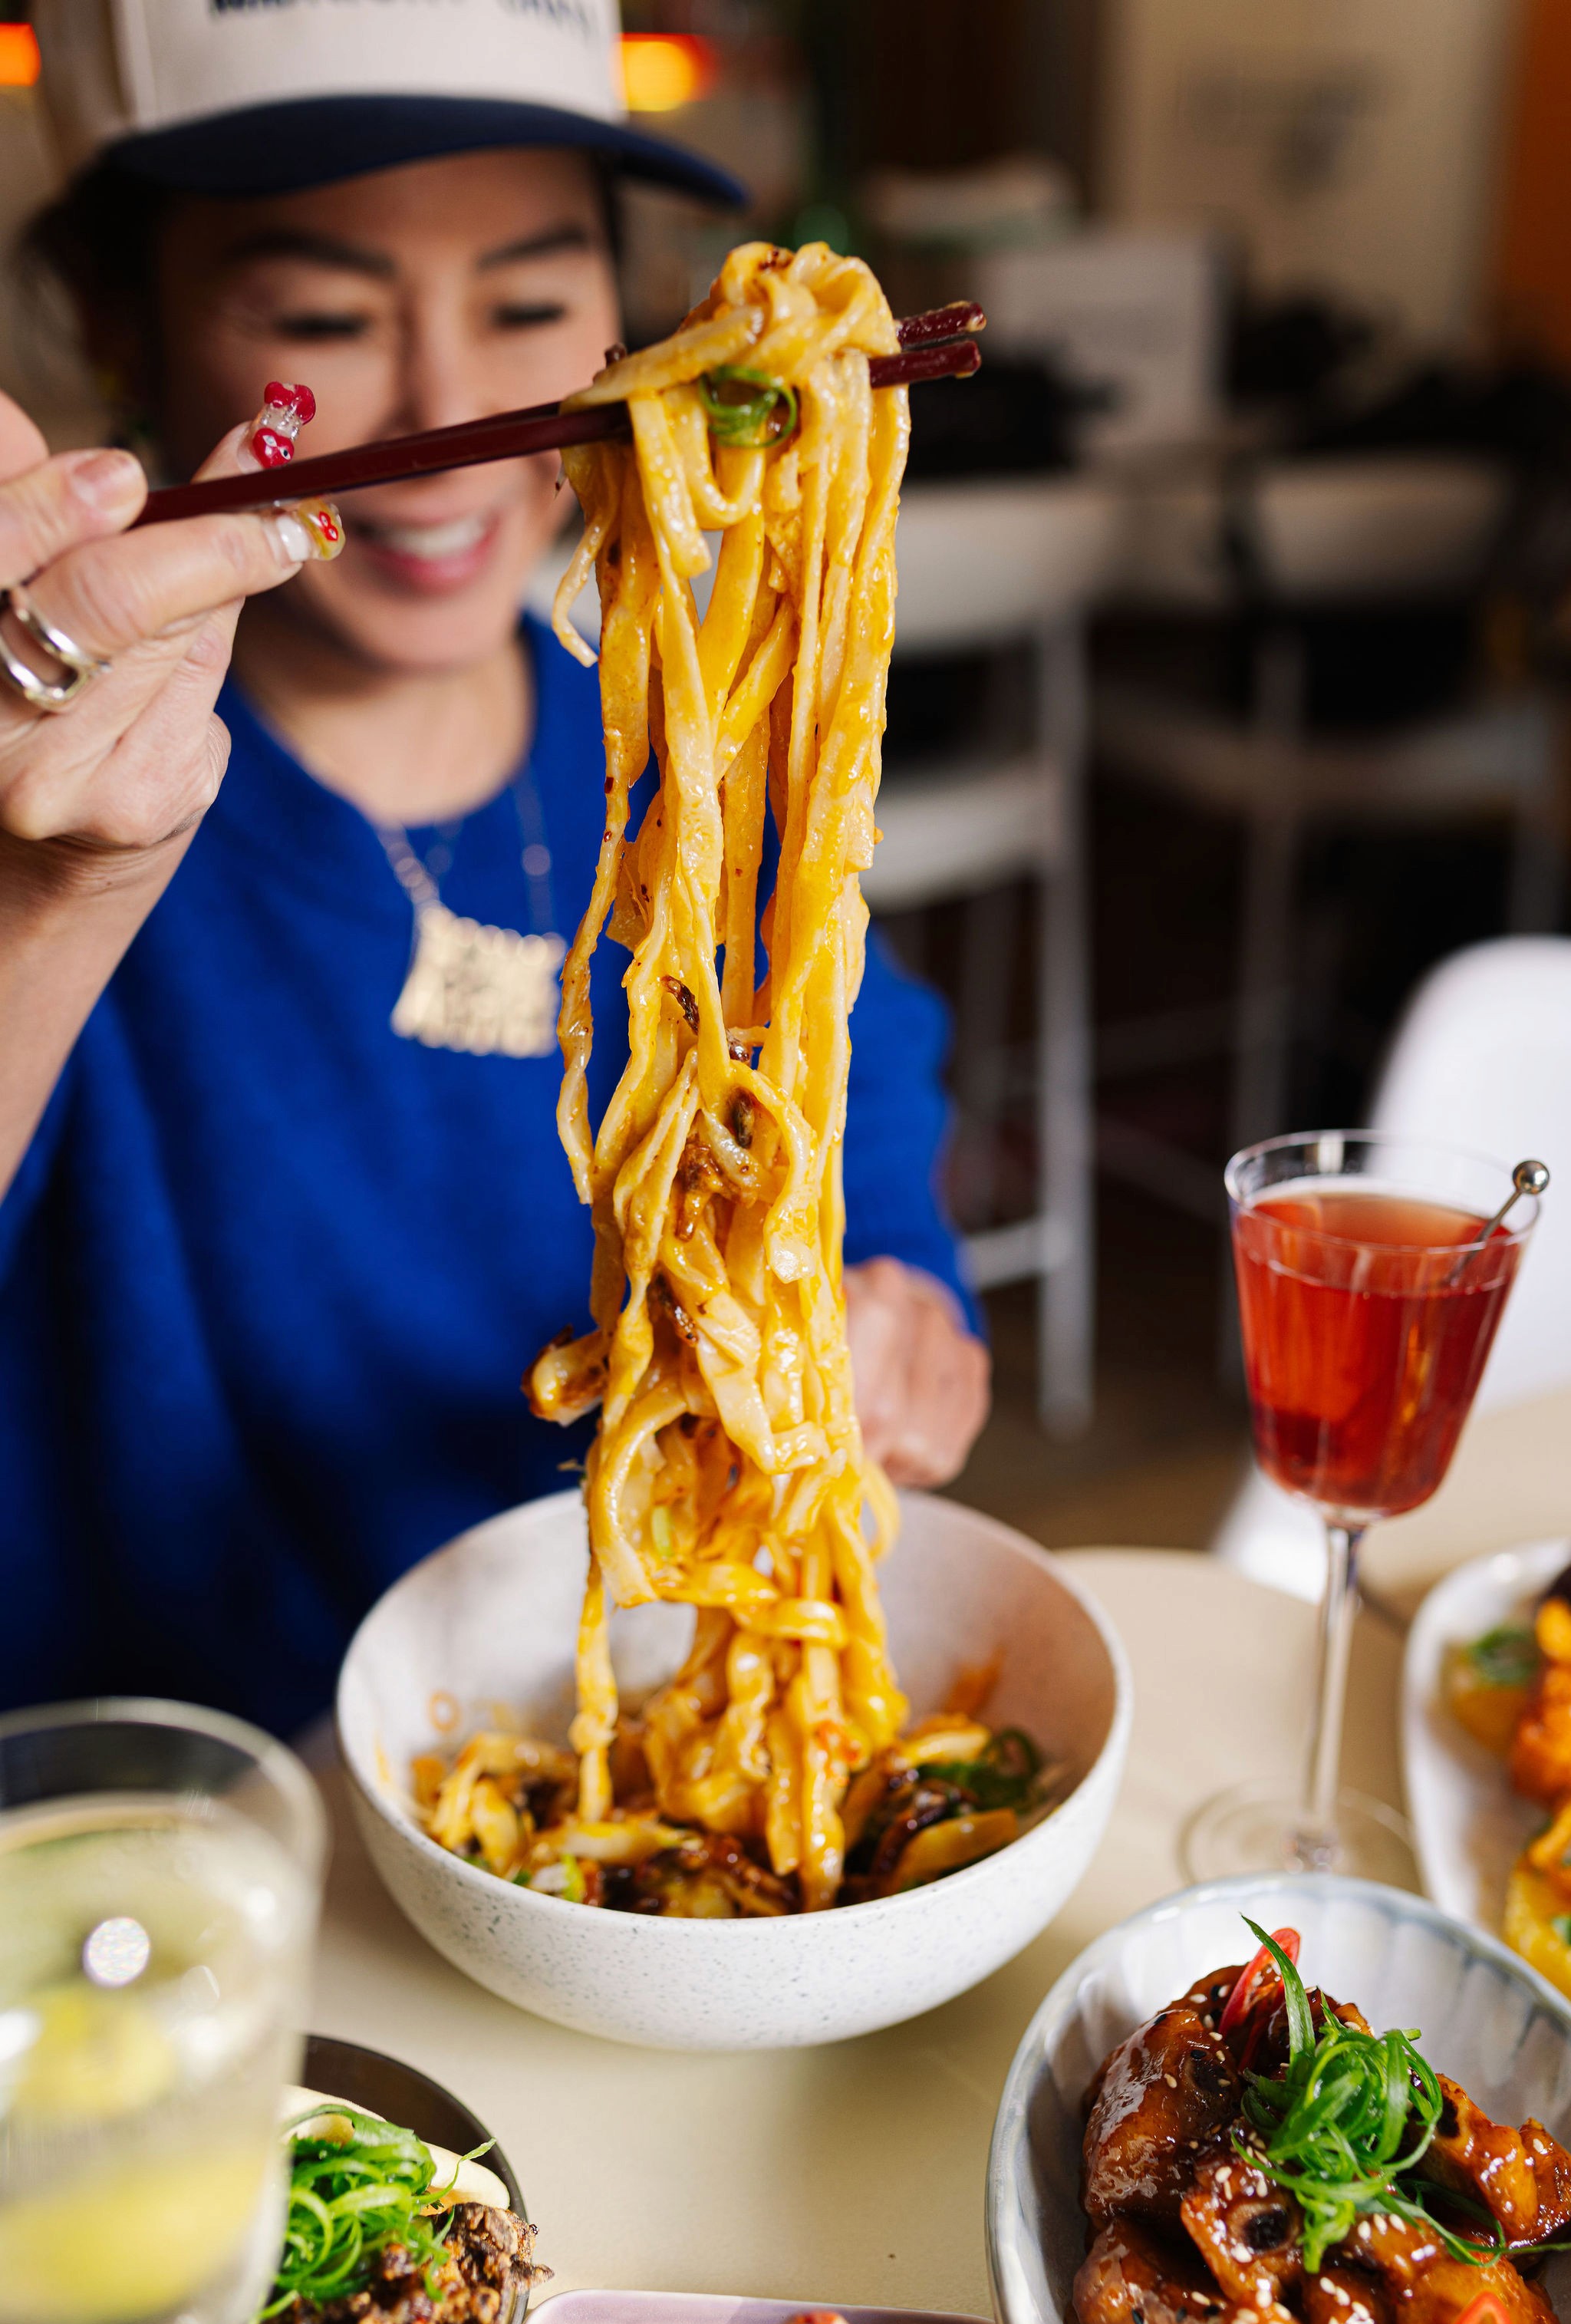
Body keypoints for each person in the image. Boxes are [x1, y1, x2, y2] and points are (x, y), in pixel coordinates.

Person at [0, 0, 990, 1736]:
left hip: (629, 1725)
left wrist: (895, 1282)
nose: (455, 405)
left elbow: (855, 1069)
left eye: (530, 304)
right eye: (321, 318)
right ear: (119, 326)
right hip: (202, 1829)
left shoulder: (690, 739)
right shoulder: (57, 816)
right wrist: (40, 900)